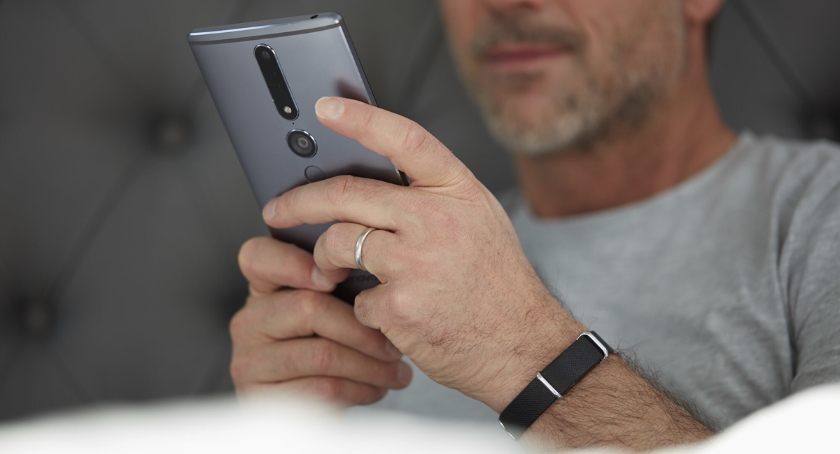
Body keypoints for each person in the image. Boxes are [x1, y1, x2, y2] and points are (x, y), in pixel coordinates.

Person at [229, 0, 840, 450]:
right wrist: (278, 431)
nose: (503, 4)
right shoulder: (391, 264)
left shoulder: (819, 213)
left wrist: (518, 350)